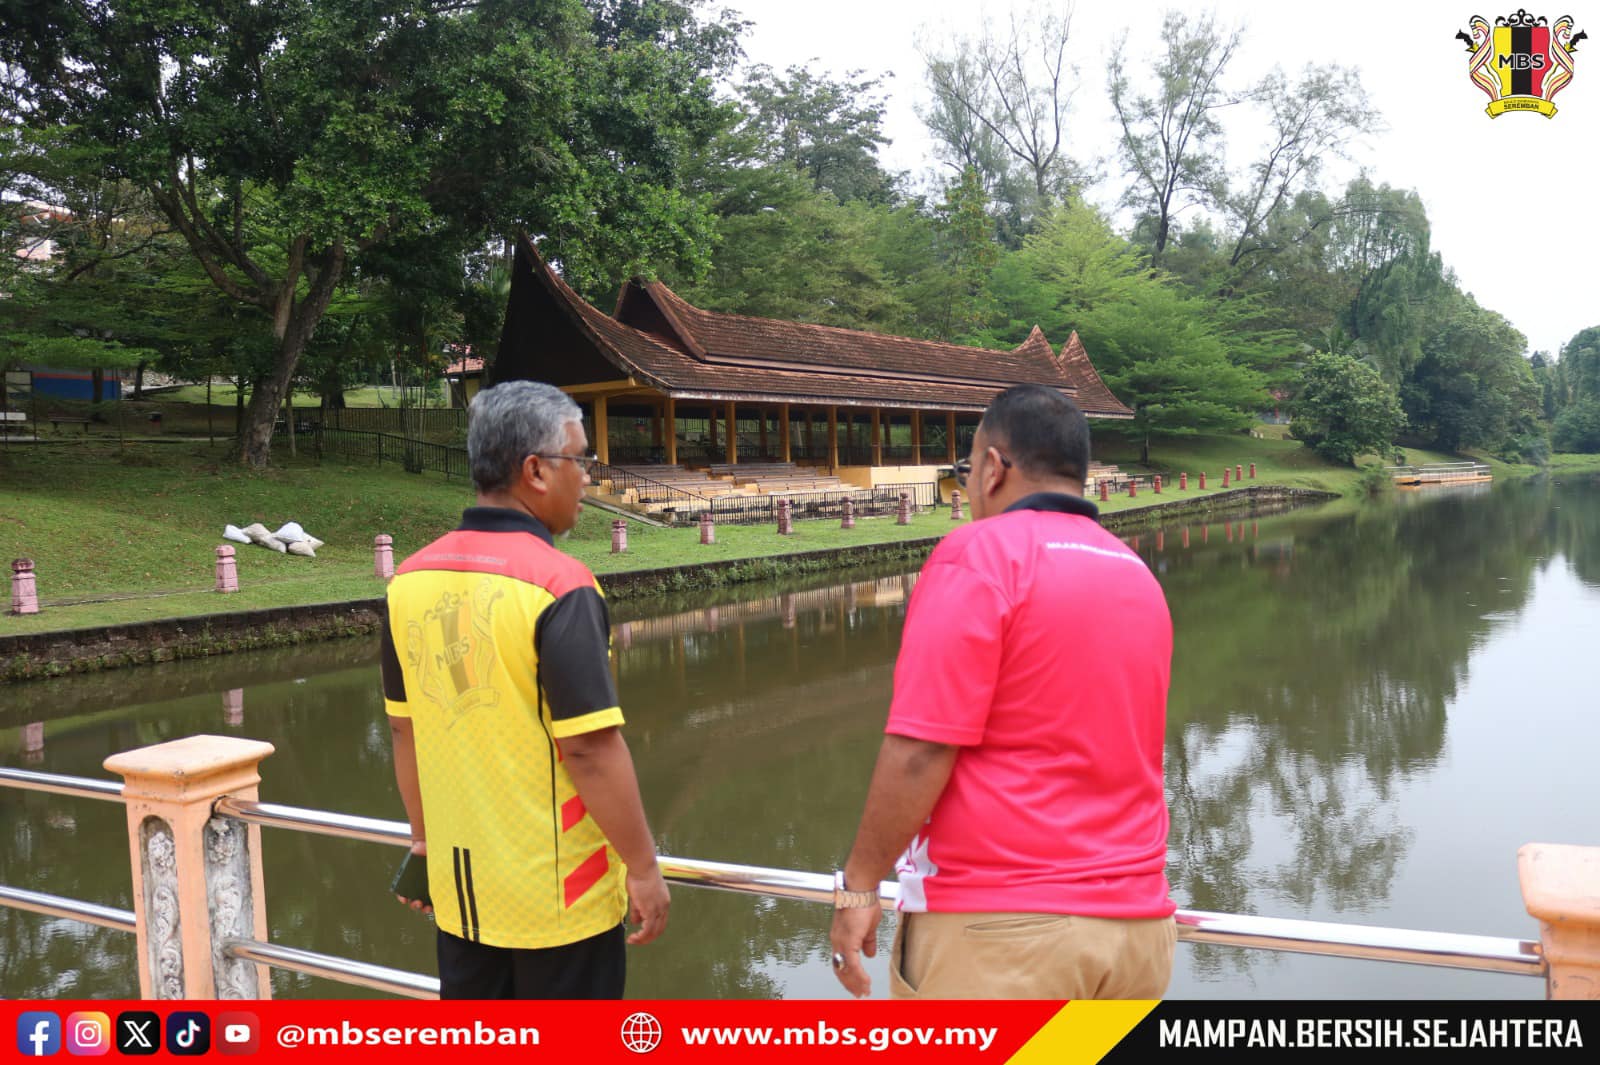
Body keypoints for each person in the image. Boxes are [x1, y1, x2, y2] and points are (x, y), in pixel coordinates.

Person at [828, 384, 1176, 999]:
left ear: (992, 468)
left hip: (1003, 932)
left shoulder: (980, 555)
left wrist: (859, 885)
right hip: (1137, 934)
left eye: (967, 469)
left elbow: (920, 750)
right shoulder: (1135, 571)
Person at [382, 379, 669, 999]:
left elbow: (404, 729)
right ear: (535, 470)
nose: (588, 476)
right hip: (560, 902)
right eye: (581, 459)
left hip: (461, 896)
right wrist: (644, 870)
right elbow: (590, 750)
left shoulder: (409, 579)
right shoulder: (558, 585)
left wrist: (426, 848)